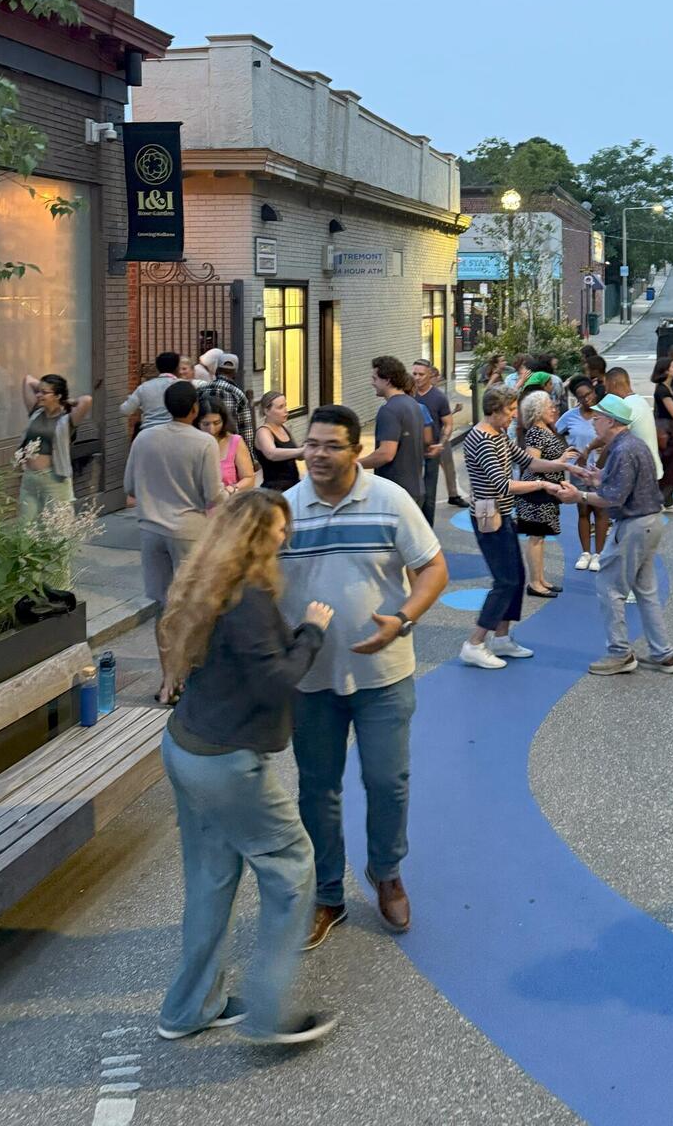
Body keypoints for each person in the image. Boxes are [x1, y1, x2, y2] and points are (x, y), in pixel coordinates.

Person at [155, 491, 339, 1047]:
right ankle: (269, 1014)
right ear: (258, 538)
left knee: (211, 877)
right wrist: (313, 630)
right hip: (226, 763)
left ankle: (189, 1008)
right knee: (292, 865)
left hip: (186, 746)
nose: (286, 537)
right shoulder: (249, 599)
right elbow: (276, 681)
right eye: (279, 529)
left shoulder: (212, 583)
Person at [278, 405, 447, 949]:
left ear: (356, 451)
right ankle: (327, 894)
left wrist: (403, 618)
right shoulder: (286, 509)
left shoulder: (390, 500)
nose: (318, 454)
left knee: (387, 781)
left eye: (332, 446)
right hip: (311, 680)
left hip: (383, 675)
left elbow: (433, 567)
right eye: (312, 444)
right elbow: (259, 583)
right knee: (317, 789)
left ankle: (386, 871)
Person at [560, 395, 673, 677]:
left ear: (611, 421)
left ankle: (620, 653)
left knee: (609, 587)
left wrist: (580, 495)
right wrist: (599, 478)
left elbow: (612, 498)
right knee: (646, 591)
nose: (593, 422)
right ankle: (663, 653)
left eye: (597, 417)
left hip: (634, 525)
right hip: (649, 522)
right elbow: (625, 485)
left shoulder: (622, 450)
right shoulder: (632, 445)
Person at [125, 380, 224, 706]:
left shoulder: (144, 438)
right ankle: (191, 679)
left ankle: (168, 681)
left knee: (164, 607)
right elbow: (213, 494)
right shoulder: (204, 443)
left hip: (150, 530)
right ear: (195, 409)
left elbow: (129, 486)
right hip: (189, 531)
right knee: (193, 606)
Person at [461, 386, 566, 667]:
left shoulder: (499, 434)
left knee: (517, 576)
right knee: (505, 580)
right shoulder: (483, 439)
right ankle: (474, 642)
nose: (513, 416)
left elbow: (527, 460)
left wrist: (566, 467)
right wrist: (543, 484)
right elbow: (503, 484)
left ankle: (502, 638)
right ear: (494, 411)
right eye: (509, 411)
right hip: (489, 515)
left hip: (502, 513)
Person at [515, 388, 570, 597]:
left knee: (540, 536)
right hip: (537, 491)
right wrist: (561, 462)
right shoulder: (536, 432)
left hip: (546, 490)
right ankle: (534, 582)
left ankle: (540, 579)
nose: (553, 410)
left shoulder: (545, 429)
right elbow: (533, 464)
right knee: (536, 536)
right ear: (538, 410)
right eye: (549, 407)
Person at [18, 372, 93, 522]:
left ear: (57, 396)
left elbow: (87, 400)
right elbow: (28, 380)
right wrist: (44, 389)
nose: (38, 395)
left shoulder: (67, 420)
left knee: (58, 528)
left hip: (54, 479)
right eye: (38, 391)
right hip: (30, 478)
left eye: (44, 392)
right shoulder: (36, 411)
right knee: (25, 527)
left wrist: (68, 400)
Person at [556, 375, 609, 570]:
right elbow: (555, 431)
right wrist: (567, 452)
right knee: (583, 511)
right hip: (578, 471)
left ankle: (599, 554)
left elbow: (613, 436)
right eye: (582, 397)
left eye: (589, 394)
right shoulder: (570, 416)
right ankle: (586, 552)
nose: (587, 399)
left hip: (601, 470)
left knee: (601, 511)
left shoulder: (604, 413)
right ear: (577, 399)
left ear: (594, 391)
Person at [359, 355, 426, 507]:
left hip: (395, 492)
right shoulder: (413, 405)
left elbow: (386, 454)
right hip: (415, 488)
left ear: (387, 380)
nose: (372, 383)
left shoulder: (389, 410)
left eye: (375, 378)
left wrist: (353, 465)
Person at [603, 367, 663, 484]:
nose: (606, 391)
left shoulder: (625, 406)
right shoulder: (639, 400)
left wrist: (591, 454)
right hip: (649, 467)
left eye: (606, 386)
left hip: (642, 472)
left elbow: (612, 440)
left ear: (613, 383)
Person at [412, 359, 452, 525]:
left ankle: (428, 530)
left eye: (421, 374)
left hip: (431, 452)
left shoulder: (439, 397)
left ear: (430, 375)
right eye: (414, 374)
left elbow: (448, 424)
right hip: (410, 452)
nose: (417, 377)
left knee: (429, 495)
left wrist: (441, 443)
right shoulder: (408, 394)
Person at [197, 397, 258, 498]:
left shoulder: (235, 442)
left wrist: (232, 489)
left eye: (216, 423)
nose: (211, 430)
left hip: (230, 502)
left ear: (224, 421)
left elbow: (249, 478)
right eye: (206, 424)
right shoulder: (192, 444)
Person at [650, 351, 673, 513]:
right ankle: (661, 501)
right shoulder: (662, 390)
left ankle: (667, 500)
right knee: (670, 465)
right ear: (665, 371)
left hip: (669, 429)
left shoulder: (668, 387)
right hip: (667, 430)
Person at [121, 351, 184, 439]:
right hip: (175, 434)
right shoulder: (183, 386)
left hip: (148, 434)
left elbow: (125, 410)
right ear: (177, 368)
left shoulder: (144, 387)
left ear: (158, 368)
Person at [431, 365, 469, 506]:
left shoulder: (439, 396)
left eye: (436, 376)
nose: (437, 379)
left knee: (449, 468)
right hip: (427, 438)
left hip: (441, 436)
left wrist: (454, 411)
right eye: (434, 376)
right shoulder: (418, 394)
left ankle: (453, 495)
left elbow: (444, 418)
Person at [255, 390, 305, 493]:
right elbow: (271, 454)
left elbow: (298, 455)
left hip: (294, 485)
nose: (286, 410)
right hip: (275, 490)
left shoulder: (284, 428)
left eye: (285, 405)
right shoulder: (263, 431)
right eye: (280, 407)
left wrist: (310, 446)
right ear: (267, 411)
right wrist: (301, 451)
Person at [206, 354, 255, 450]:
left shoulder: (202, 389)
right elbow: (246, 430)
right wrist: (248, 452)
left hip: (206, 445)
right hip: (230, 448)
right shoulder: (238, 394)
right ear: (235, 373)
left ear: (217, 370)